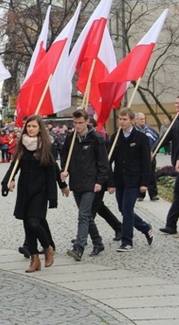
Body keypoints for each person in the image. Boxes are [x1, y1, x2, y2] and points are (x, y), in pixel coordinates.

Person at [2, 115, 59, 272]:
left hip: (40, 191)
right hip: (25, 190)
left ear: (40, 128)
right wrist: (7, 180)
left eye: (34, 126)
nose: (31, 129)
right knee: (27, 226)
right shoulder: (22, 146)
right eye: (29, 126)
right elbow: (14, 166)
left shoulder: (45, 147)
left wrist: (53, 196)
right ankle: (34, 259)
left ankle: (47, 247)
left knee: (34, 222)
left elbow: (51, 173)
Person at [61, 109, 108, 261]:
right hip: (76, 181)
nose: (77, 126)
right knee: (87, 216)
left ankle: (79, 247)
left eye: (80, 123)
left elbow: (103, 163)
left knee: (83, 215)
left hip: (91, 182)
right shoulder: (71, 138)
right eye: (75, 123)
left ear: (87, 121)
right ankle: (98, 242)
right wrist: (64, 170)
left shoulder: (96, 138)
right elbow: (65, 155)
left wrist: (100, 181)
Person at [107, 107, 154, 251]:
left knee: (127, 209)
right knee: (123, 209)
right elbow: (108, 161)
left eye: (125, 119)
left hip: (134, 180)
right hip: (120, 179)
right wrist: (110, 182)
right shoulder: (115, 137)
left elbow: (146, 162)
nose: (121, 122)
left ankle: (127, 242)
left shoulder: (141, 138)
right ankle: (145, 228)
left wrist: (145, 183)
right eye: (120, 119)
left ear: (132, 120)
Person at [159, 96, 179, 235]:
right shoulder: (176, 122)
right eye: (176, 103)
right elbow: (165, 138)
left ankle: (171, 224)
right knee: (178, 194)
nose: (177, 105)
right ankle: (171, 225)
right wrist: (152, 151)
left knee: (178, 193)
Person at [134, 112, 160, 201]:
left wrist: (153, 151)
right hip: (138, 157)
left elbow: (158, 140)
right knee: (140, 174)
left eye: (144, 119)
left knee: (151, 174)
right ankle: (140, 195)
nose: (143, 120)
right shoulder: (133, 131)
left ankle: (153, 194)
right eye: (141, 119)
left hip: (151, 155)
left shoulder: (150, 130)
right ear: (135, 120)